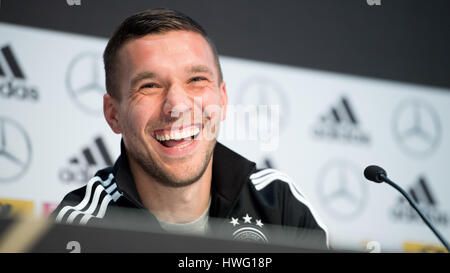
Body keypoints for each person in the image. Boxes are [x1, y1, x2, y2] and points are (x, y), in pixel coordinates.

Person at [51, 8, 329, 250]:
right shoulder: (83, 230)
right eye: (149, 85)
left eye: (196, 79)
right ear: (113, 115)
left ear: (222, 98)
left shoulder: (278, 204)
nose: (177, 106)